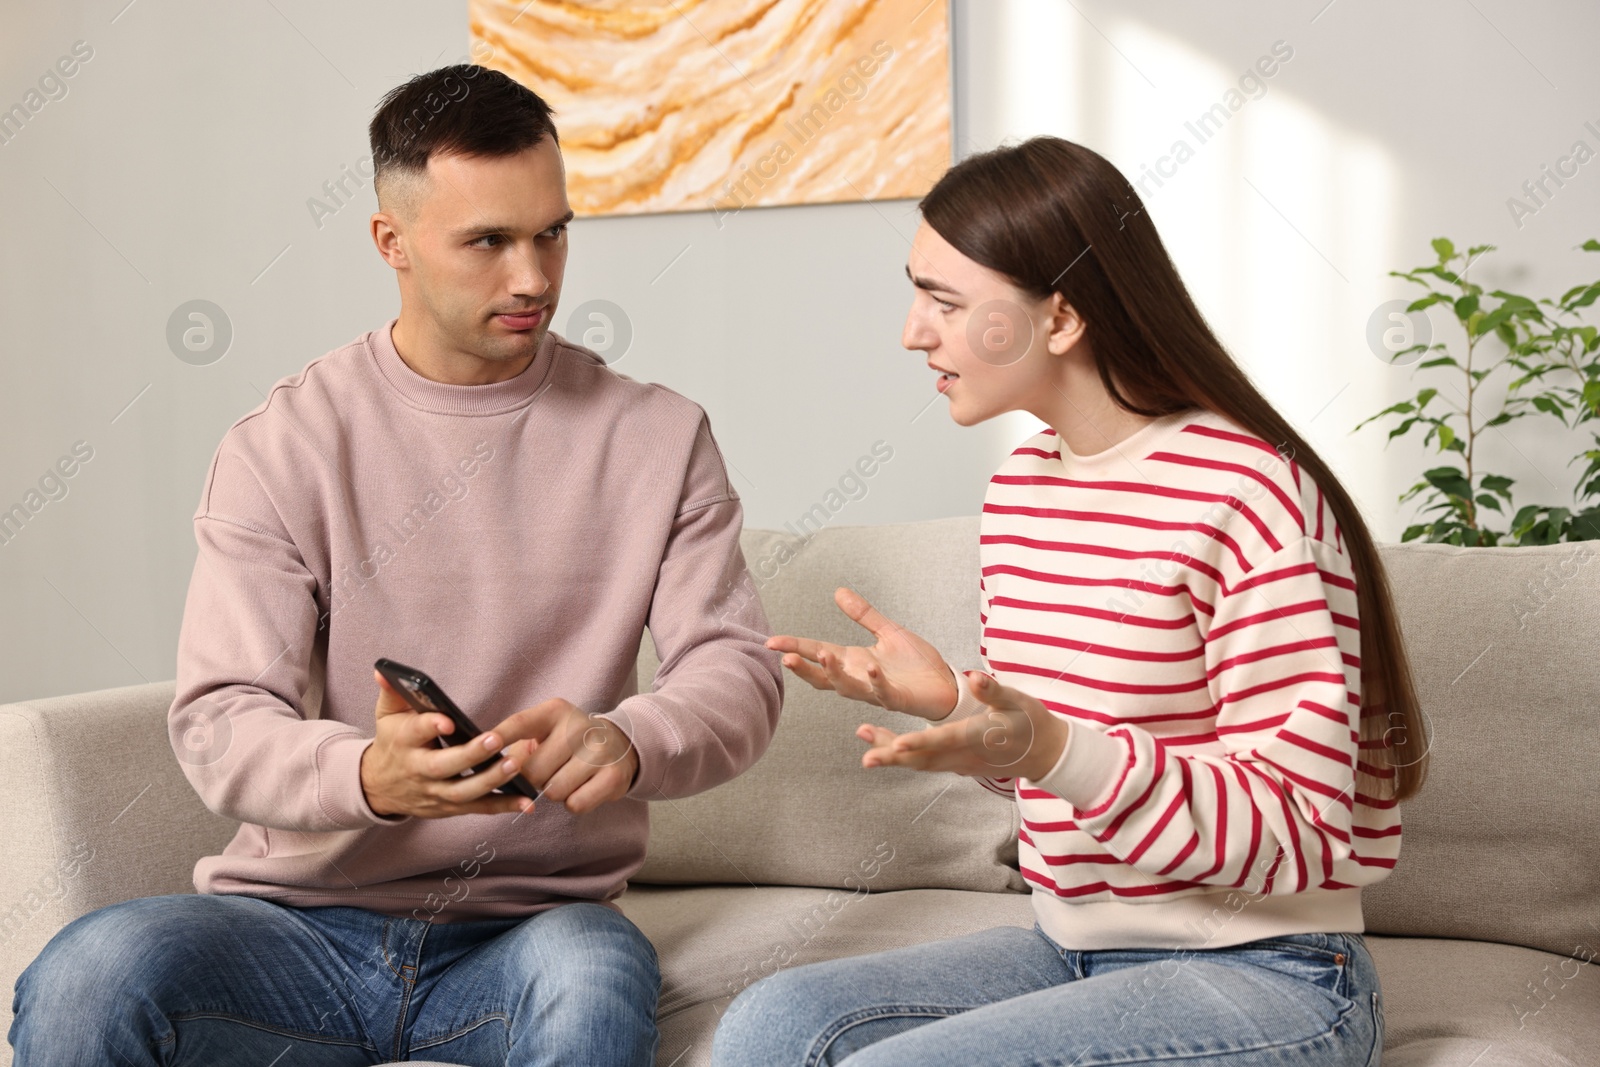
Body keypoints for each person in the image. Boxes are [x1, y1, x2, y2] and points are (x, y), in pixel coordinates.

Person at [9, 65, 782, 1067]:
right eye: (488, 242)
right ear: (392, 242)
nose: (534, 277)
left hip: (534, 925)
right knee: (87, 971)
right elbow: (221, 719)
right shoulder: (284, 444)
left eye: (551, 232)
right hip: (298, 923)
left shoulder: (660, 436)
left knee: (591, 984)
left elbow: (738, 673)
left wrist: (630, 737)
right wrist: (366, 775)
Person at [712, 136, 1427, 1067]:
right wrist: (961, 713)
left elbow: (1300, 820)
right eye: (916, 292)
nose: (911, 332)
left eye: (945, 302)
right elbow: (1063, 770)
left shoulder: (1247, 493)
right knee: (772, 1025)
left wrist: (1049, 744)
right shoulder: (1023, 492)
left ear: (1059, 319)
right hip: (1072, 945)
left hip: (1272, 969)